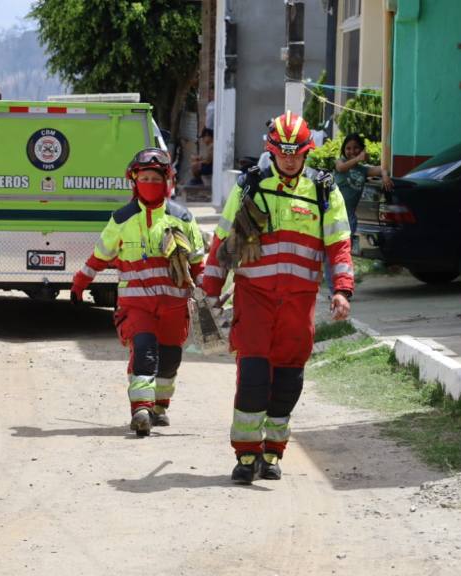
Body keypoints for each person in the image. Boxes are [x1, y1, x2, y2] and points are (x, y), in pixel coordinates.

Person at [202, 111, 355, 485]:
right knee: (253, 377)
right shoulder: (250, 188)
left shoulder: (324, 192)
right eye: (282, 152)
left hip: (298, 305)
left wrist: (342, 290)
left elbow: (338, 245)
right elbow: (223, 243)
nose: (288, 159)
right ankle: (245, 454)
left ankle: (272, 452)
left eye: (295, 152)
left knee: (288, 382)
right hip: (254, 300)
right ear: (272, 151)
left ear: (307, 152)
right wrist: (210, 291)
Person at [70, 148, 206, 437]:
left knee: (170, 359)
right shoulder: (121, 219)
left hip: (173, 305)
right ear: (134, 180)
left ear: (167, 180)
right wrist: (81, 281)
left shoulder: (182, 217)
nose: (149, 182)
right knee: (143, 350)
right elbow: (100, 254)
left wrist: (208, 289)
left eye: (155, 178)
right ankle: (141, 410)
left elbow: (198, 261)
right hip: (136, 304)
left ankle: (159, 406)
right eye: (143, 177)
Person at [334, 133, 393, 250]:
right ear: (343, 150)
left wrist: (385, 176)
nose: (352, 151)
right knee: (332, 251)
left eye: (356, 148)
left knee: (344, 252)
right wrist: (358, 158)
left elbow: (382, 169)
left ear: (362, 150)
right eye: (348, 148)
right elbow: (341, 168)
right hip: (334, 215)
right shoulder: (339, 162)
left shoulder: (363, 170)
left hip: (349, 217)